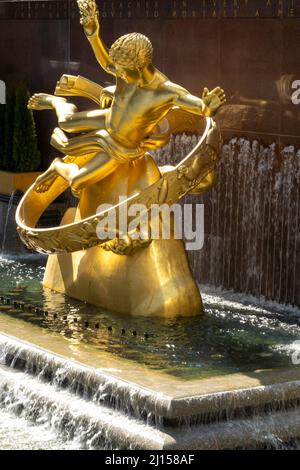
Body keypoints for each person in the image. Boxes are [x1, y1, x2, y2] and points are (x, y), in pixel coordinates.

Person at [28, 0, 226, 196]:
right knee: (65, 122)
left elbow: (198, 107)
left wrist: (207, 106)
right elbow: (107, 64)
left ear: (139, 67)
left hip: (120, 148)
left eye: (122, 72)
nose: (117, 74)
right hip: (107, 119)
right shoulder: (127, 72)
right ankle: (58, 102)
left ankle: (57, 167)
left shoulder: (165, 91)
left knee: (77, 183)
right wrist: (93, 35)